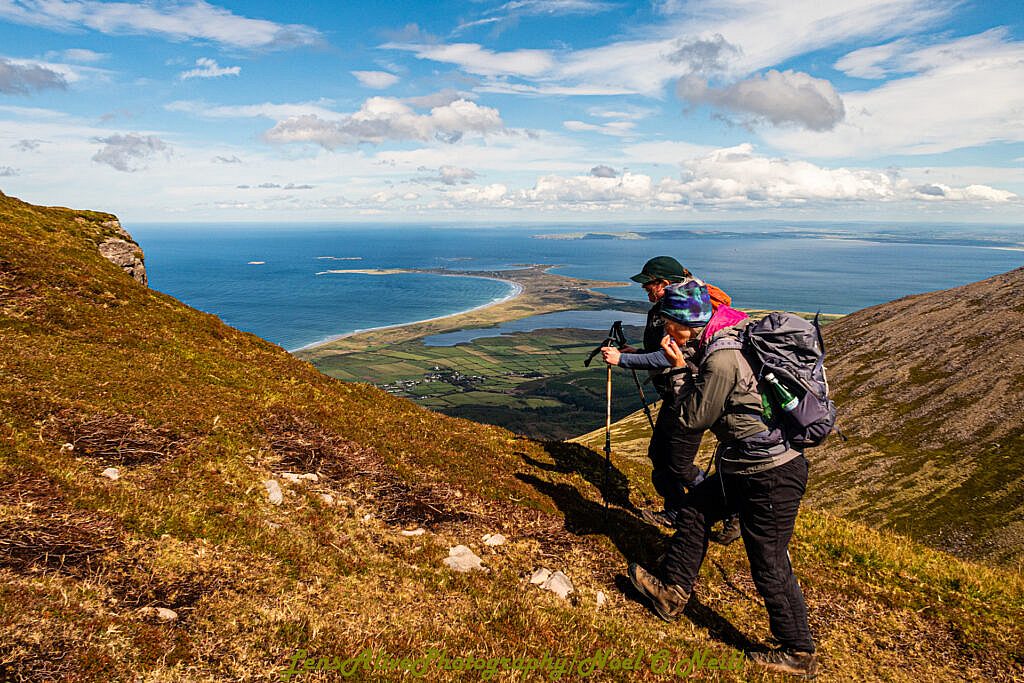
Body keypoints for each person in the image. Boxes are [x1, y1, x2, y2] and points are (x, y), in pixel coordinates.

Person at [626, 281, 818, 679]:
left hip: (770, 473)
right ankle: (671, 593)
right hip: (746, 465)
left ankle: (798, 651)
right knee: (696, 510)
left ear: (685, 323)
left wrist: (679, 371)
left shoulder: (722, 358)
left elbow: (691, 420)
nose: (665, 331)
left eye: (668, 323)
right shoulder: (727, 334)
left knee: (768, 561)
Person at [601, 256, 740, 545]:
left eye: (648, 284)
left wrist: (623, 359)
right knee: (660, 457)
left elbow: (671, 356)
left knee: (678, 464)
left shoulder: (682, 310)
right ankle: (677, 511)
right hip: (675, 393)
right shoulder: (676, 305)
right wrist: (635, 351)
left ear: (663, 284)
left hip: (689, 396)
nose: (645, 290)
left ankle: (730, 509)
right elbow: (665, 351)